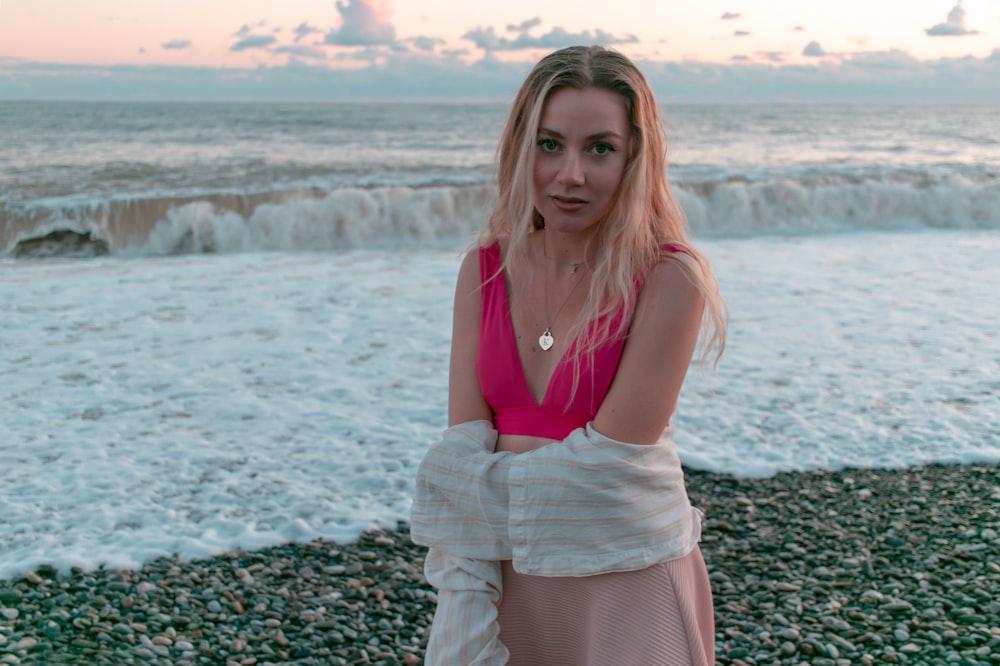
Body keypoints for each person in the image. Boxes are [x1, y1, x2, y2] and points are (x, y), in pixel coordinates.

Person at [411, 44, 726, 665]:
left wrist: (463, 494)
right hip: (506, 585)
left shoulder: (669, 278)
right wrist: (460, 497)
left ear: (636, 155)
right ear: (520, 149)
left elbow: (605, 472)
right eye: (549, 145)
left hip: (624, 580)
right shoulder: (484, 269)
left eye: (599, 148)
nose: (571, 174)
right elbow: (462, 446)